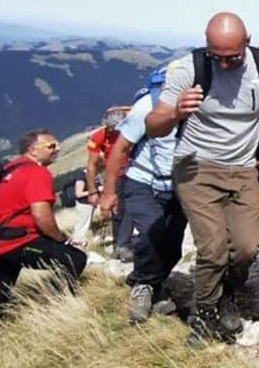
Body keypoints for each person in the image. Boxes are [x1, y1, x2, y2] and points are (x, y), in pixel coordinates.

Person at [145, 12, 259, 345]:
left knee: (247, 249)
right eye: (216, 57)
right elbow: (153, 124)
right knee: (213, 248)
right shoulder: (188, 69)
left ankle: (227, 296)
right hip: (197, 167)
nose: (223, 65)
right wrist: (177, 112)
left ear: (247, 43)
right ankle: (204, 316)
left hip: (243, 168)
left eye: (232, 58)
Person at [0, 129, 88, 338]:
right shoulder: (36, 172)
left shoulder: (7, 169)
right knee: (74, 258)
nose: (58, 148)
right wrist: (64, 239)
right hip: (18, 241)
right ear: (33, 150)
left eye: (57, 144)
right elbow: (42, 217)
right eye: (51, 146)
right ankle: (55, 310)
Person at [99, 68, 186, 324]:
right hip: (142, 182)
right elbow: (120, 149)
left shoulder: (198, 108)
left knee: (173, 246)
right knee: (153, 233)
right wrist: (109, 193)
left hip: (178, 187)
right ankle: (144, 288)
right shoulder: (146, 107)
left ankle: (151, 283)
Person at [85, 107, 134, 261]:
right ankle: (119, 245)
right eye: (112, 129)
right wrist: (92, 191)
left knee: (132, 208)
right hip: (114, 176)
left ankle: (123, 244)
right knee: (118, 211)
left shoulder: (132, 128)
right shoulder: (98, 137)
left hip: (134, 173)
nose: (115, 132)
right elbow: (91, 165)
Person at [67, 167, 95, 246]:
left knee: (83, 224)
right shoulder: (81, 175)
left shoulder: (89, 174)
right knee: (82, 225)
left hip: (89, 203)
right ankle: (77, 243)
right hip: (84, 203)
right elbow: (79, 194)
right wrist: (96, 190)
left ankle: (79, 242)